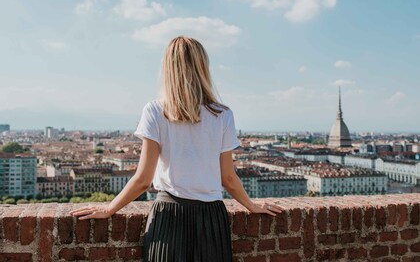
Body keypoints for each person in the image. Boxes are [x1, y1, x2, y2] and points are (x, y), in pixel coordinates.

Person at [69, 36, 283, 261]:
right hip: (210, 218)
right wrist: (251, 205)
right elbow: (228, 178)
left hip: (168, 215)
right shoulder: (222, 114)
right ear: (203, 67)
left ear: (168, 69)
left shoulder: (154, 111)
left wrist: (110, 209)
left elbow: (143, 180)